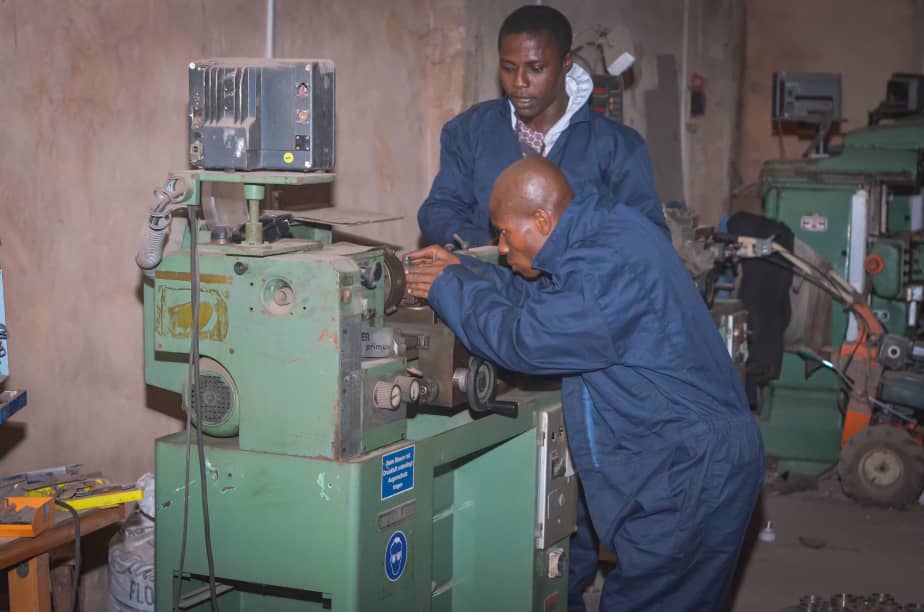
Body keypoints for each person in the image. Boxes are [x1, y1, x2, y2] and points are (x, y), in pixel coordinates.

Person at [405, 157, 764, 612]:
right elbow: (547, 300)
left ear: (541, 219)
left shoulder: (603, 271)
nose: (499, 247)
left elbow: (526, 339)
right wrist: (465, 270)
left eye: (505, 234)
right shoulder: (606, 230)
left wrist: (447, 289)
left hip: (687, 472)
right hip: (694, 456)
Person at [417, 4, 666, 249]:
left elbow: (649, 237)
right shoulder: (470, 130)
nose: (519, 82)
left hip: (582, 287)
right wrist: (494, 246)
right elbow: (439, 210)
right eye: (508, 68)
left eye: (536, 68)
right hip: (487, 284)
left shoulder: (617, 146)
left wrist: (569, 253)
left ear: (566, 63)